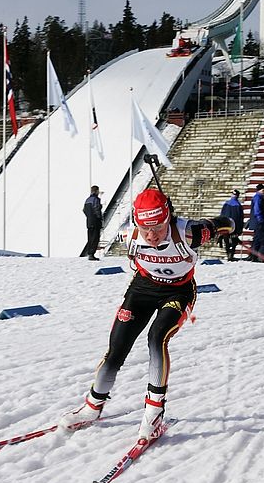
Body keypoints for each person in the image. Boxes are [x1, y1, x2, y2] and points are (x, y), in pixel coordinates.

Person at [61, 188, 234, 439]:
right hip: (142, 289)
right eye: (146, 230)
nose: (151, 236)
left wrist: (230, 225)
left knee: (157, 338)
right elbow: (102, 236)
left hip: (178, 292)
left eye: (158, 228)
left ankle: (153, 415)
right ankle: (92, 407)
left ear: (168, 220)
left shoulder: (188, 233)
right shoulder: (128, 235)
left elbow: (222, 224)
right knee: (116, 348)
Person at [220, 190, 244, 260]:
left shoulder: (226, 204)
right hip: (234, 225)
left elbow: (222, 214)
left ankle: (228, 253)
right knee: (234, 240)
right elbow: (240, 217)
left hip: (226, 224)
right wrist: (240, 228)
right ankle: (232, 253)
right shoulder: (238, 205)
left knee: (226, 239)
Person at [248, 183, 264, 261]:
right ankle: (260, 256)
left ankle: (253, 255)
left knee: (257, 239)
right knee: (262, 238)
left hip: (258, 221)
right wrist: (260, 219)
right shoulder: (258, 198)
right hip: (259, 222)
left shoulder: (260, 197)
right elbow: (257, 210)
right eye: (263, 190)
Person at [83, 185, 102, 261]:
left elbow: (84, 210)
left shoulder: (87, 200)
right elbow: (97, 209)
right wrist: (99, 218)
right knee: (95, 238)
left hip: (89, 221)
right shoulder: (96, 199)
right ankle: (92, 254)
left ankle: (90, 253)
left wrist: (89, 216)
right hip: (95, 221)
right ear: (96, 191)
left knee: (90, 238)